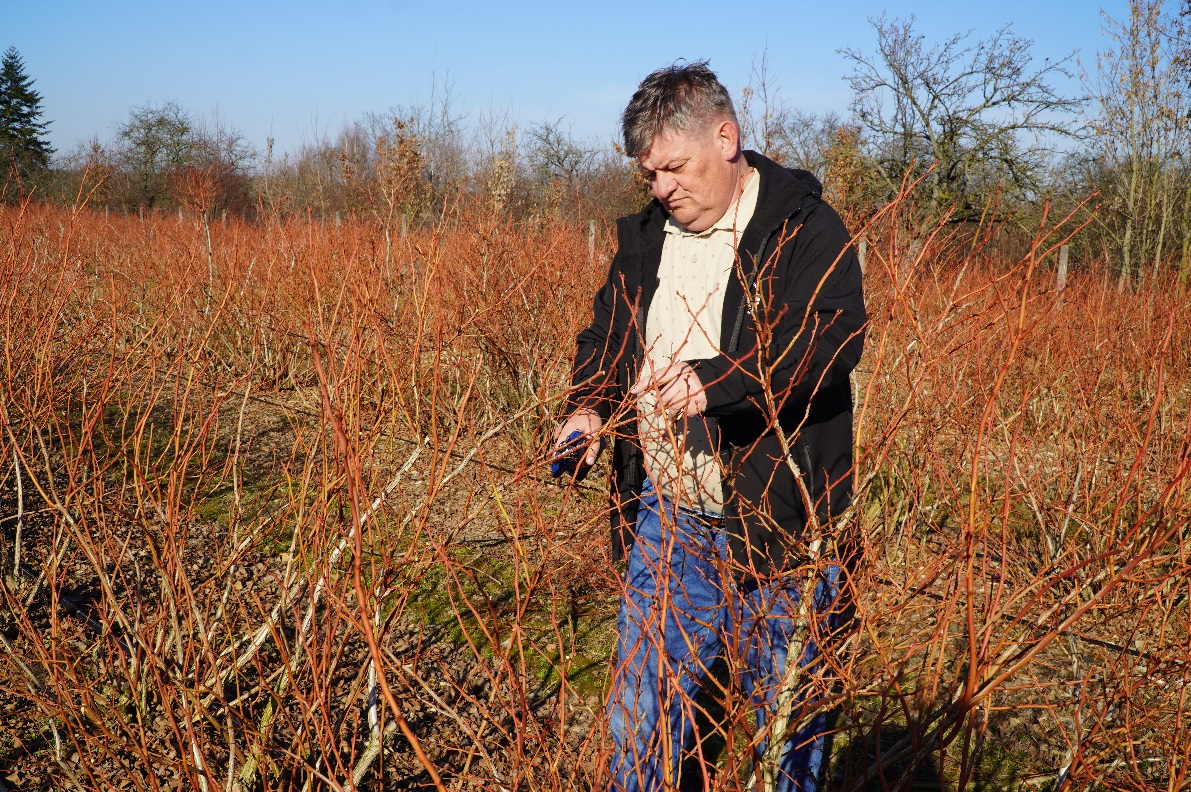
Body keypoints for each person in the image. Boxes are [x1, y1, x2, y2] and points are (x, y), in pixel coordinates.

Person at [554, 62, 866, 792]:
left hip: (780, 524)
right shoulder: (645, 237)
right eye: (649, 174)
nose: (662, 188)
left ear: (725, 139)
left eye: (674, 167)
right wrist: (587, 407)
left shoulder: (802, 229)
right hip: (669, 516)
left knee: (784, 728)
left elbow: (831, 338)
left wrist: (717, 379)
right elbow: (607, 335)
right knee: (640, 715)